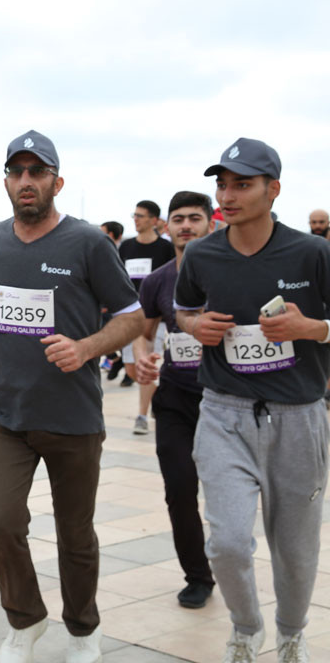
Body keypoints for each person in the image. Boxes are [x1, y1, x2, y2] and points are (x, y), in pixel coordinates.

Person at [0, 131, 142, 663]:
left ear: (56, 182)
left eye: (36, 172)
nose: (26, 181)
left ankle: (84, 629)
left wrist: (85, 347)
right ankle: (26, 621)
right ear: (6, 182)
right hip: (5, 414)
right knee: (2, 525)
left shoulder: (88, 242)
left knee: (75, 534)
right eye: (16, 172)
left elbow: (132, 317)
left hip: (72, 416)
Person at [175, 138, 330, 663]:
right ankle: (245, 629)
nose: (228, 195)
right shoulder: (202, 254)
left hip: (299, 418)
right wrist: (194, 325)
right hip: (224, 413)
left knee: (296, 549)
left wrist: (312, 328)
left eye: (242, 184)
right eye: (223, 185)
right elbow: (183, 311)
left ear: (273, 189)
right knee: (227, 543)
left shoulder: (312, 252)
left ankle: (291, 633)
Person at [132, 191, 216, 610]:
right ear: (167, 227)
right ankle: (197, 576)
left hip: (226, 401)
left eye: (194, 218)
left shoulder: (231, 272)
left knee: (226, 494)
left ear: (211, 224)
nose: (186, 226)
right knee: (179, 489)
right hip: (176, 399)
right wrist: (142, 358)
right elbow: (144, 332)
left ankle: (229, 556)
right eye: (178, 219)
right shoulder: (158, 280)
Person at [119, 200, 175, 432]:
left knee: (146, 365)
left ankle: (142, 415)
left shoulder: (165, 248)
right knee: (131, 369)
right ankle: (158, 395)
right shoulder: (126, 247)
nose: (136, 219)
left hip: (155, 318)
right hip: (129, 316)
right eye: (134, 215)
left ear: (153, 220)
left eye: (140, 215)